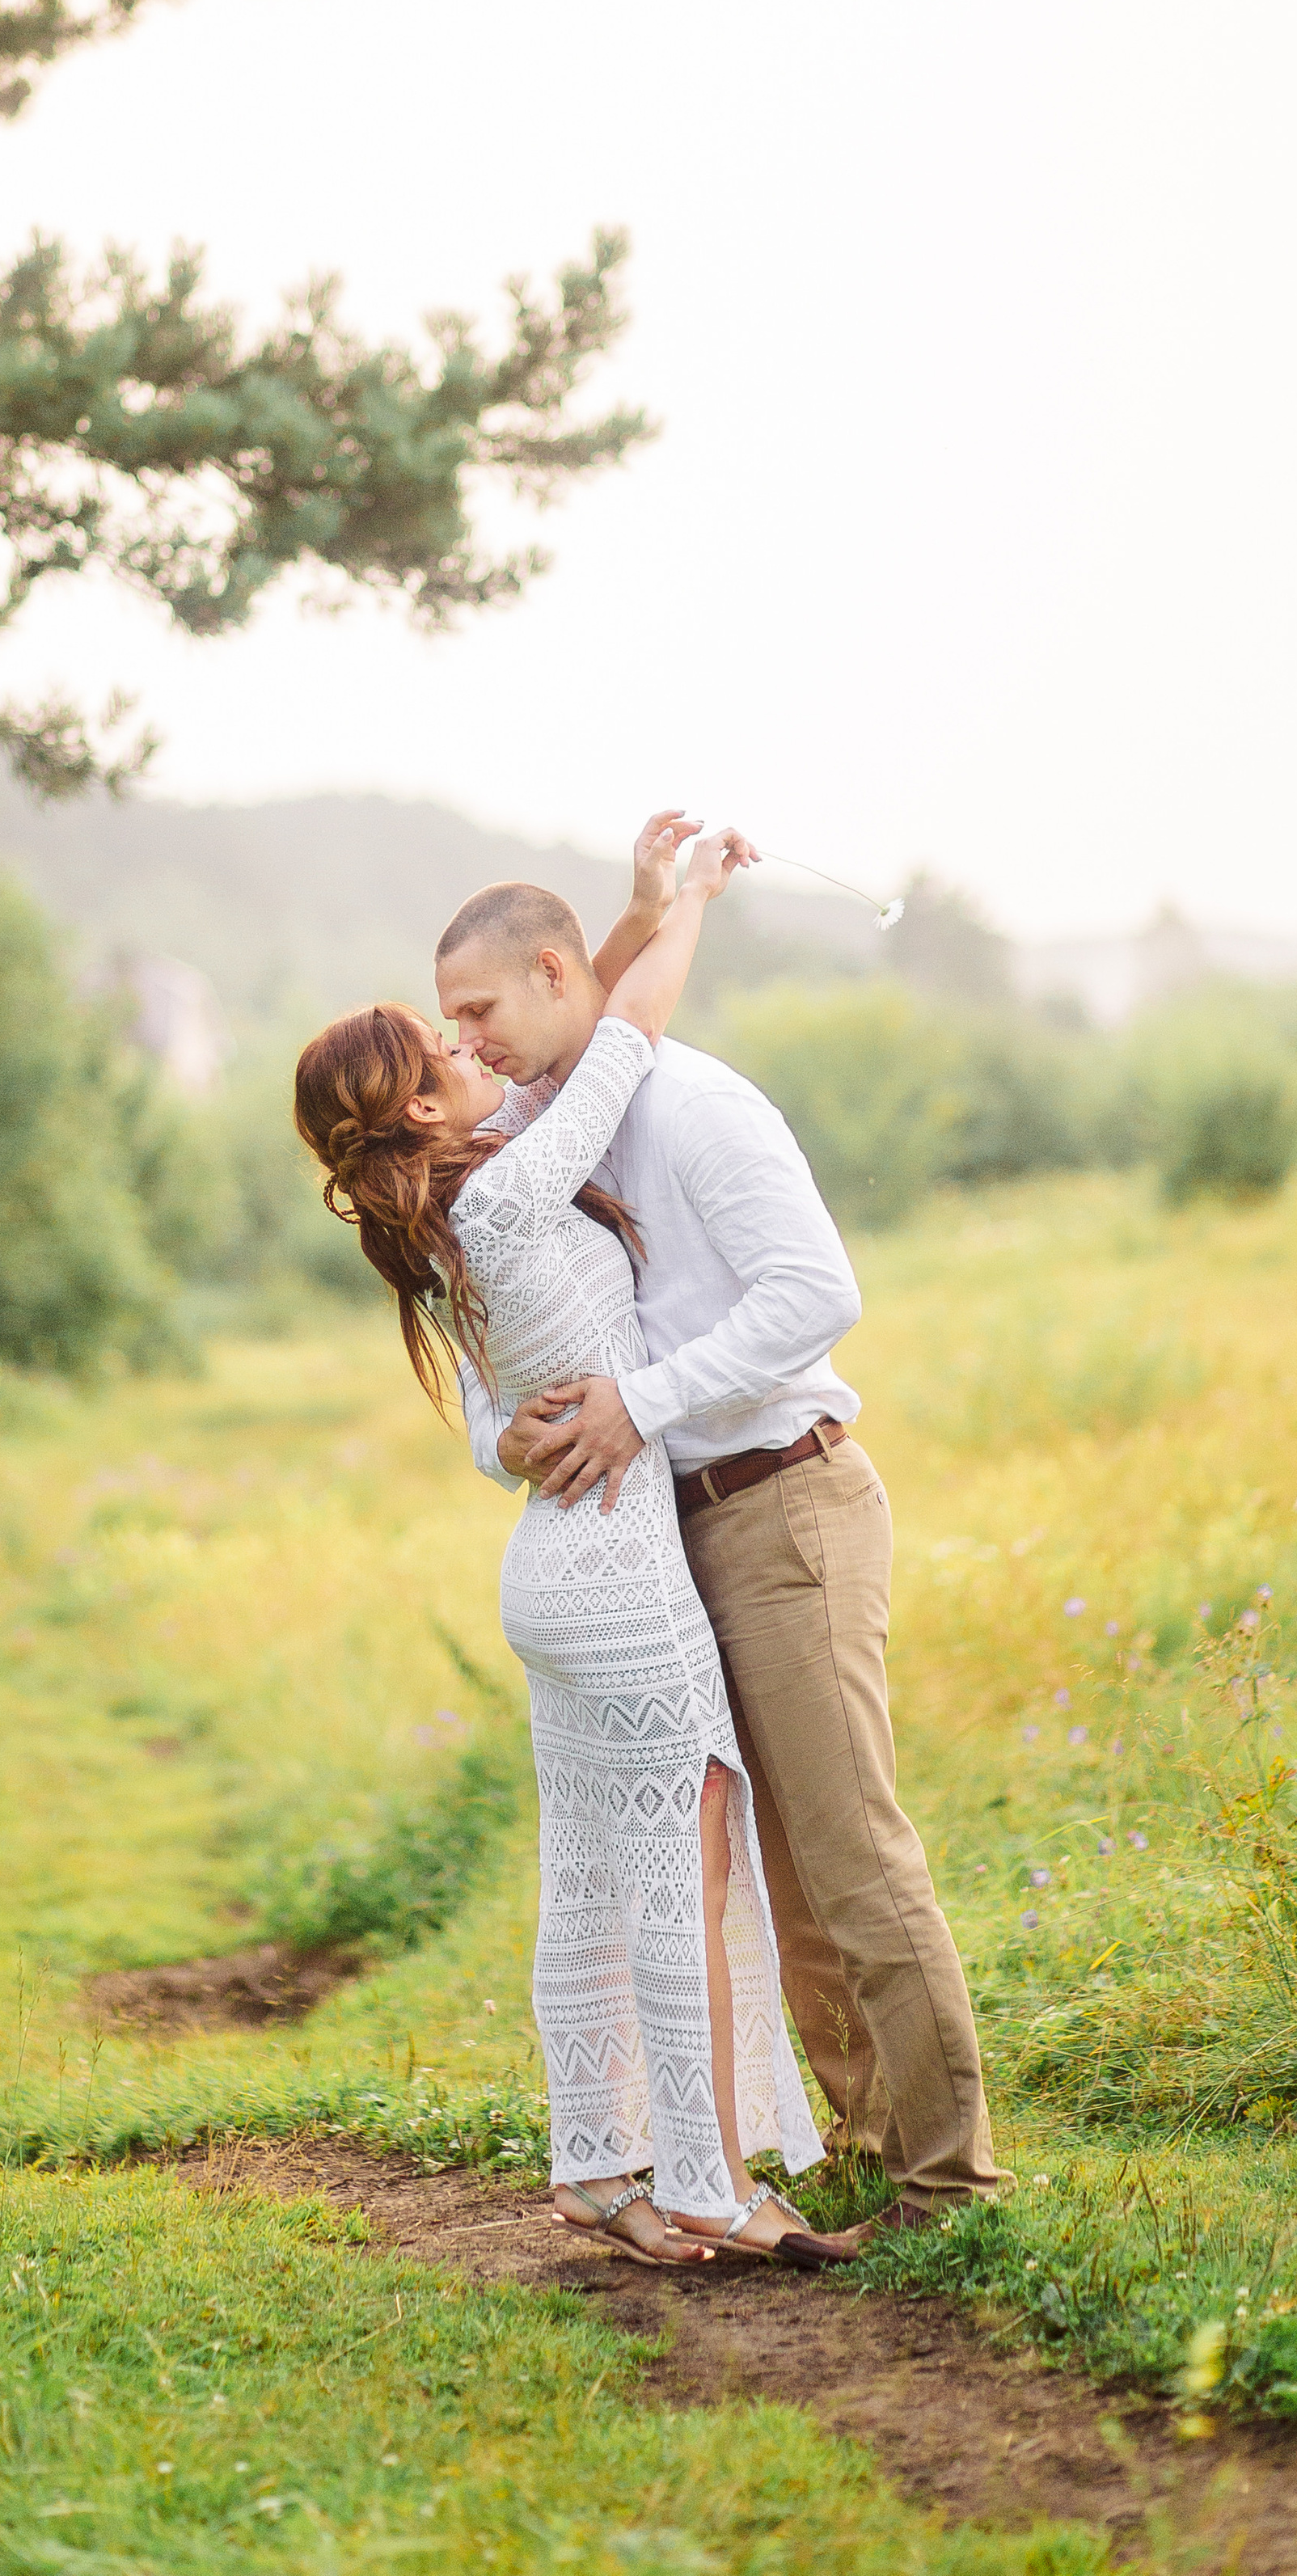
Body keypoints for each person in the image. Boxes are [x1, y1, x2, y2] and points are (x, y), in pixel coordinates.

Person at [434, 813, 1008, 2255]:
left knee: (849, 1853)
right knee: (777, 1874)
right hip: (668, 1539)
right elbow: (487, 1328)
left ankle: (951, 2186)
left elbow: (815, 1293)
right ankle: (867, 2153)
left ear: (555, 976)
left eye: (481, 1011)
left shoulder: (697, 1109)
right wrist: (509, 1435)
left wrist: (641, 1399)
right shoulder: (548, 1121)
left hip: (785, 1506)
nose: (471, 1044)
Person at [294, 830, 843, 2270]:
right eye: (450, 1044)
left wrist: (644, 909)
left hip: (551, 1569)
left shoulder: (448, 1224)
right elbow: (621, 1033)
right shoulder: (515, 1190)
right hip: (615, 1575)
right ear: (428, 1099)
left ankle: (597, 2168)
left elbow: (564, 1022)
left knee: (593, 1874)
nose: (482, 1051)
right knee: (687, 1864)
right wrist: (693, 905)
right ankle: (714, 2185)